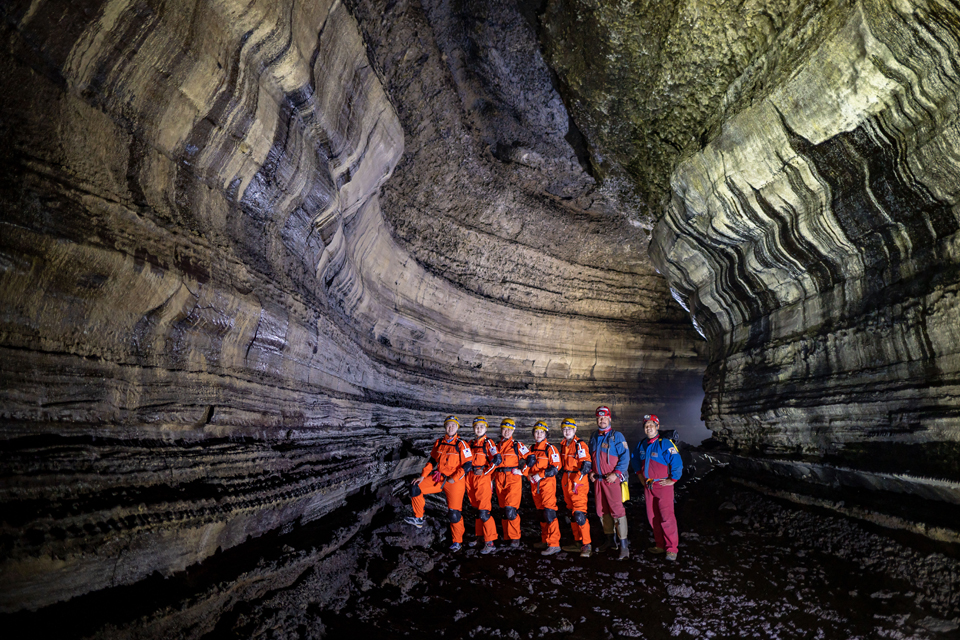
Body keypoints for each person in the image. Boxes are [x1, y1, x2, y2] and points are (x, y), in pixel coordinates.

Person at [404, 415, 474, 551]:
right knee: (415, 487)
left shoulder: (461, 444)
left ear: (457, 427)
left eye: (454, 425)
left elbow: (467, 465)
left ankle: (457, 541)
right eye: (448, 425)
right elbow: (432, 461)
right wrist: (423, 476)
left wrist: (455, 477)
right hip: (439, 478)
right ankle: (418, 518)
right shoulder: (439, 442)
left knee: (454, 513)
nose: (451, 427)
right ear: (445, 427)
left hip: (455, 481)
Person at [630, 414, 682, 561]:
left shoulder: (664, 443)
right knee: (653, 517)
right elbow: (635, 461)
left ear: (657, 427)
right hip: (649, 486)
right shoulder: (642, 444)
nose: (648, 427)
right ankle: (660, 545)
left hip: (663, 485)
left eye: (651, 425)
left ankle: (671, 549)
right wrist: (640, 477)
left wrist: (673, 479)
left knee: (667, 517)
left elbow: (676, 461)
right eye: (646, 425)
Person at [588, 405, 631, 559]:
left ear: (609, 418)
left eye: (605, 417)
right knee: (602, 511)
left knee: (617, 511)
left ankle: (624, 546)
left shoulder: (616, 436)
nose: (602, 420)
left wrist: (617, 474)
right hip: (598, 480)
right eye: (599, 418)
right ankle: (610, 541)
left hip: (611, 480)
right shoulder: (593, 436)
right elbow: (591, 457)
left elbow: (625, 457)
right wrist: (591, 471)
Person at [466, 416, 501, 554]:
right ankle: (479, 536)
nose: (478, 429)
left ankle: (490, 542)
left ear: (486, 428)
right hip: (471, 478)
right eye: (476, 426)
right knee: (476, 511)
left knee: (484, 511)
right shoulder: (471, 443)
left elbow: (497, 459)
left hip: (483, 480)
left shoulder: (488, 443)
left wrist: (486, 472)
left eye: (481, 426)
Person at [557, 418, 592, 557]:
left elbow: (586, 465)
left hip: (578, 480)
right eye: (564, 429)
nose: (567, 431)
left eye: (569, 429)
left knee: (579, 513)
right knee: (572, 512)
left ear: (575, 429)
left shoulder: (580, 444)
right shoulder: (564, 444)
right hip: (567, 480)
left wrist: (578, 479)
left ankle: (587, 544)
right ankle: (577, 542)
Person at [527, 421, 562, 556]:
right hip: (535, 486)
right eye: (536, 432)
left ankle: (554, 544)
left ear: (546, 434)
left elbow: (556, 468)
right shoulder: (531, 449)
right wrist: (528, 475)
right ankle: (545, 540)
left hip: (547, 485)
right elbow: (528, 466)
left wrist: (540, 475)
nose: (539, 434)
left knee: (549, 513)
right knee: (541, 514)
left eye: (541, 432)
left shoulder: (550, 448)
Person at [494, 418, 530, 549]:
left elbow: (530, 458)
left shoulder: (517, 445)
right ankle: (507, 536)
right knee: (504, 510)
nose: (507, 431)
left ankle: (515, 537)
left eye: (509, 429)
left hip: (512, 479)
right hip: (499, 478)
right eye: (504, 429)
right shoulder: (497, 446)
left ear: (513, 430)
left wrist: (523, 471)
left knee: (510, 510)